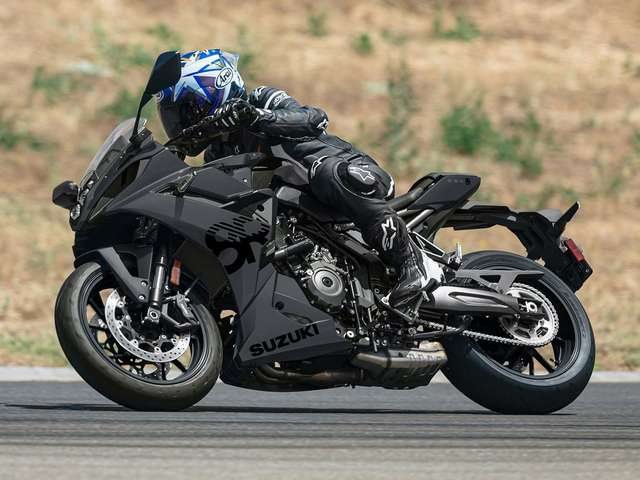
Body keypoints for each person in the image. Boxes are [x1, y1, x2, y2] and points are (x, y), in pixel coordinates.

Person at [157, 49, 438, 309]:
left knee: (327, 173)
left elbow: (313, 119)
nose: (182, 123)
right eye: (174, 117)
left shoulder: (259, 99)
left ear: (213, 90)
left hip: (354, 175)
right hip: (308, 217)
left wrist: (255, 117)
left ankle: (414, 264)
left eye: (187, 110)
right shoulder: (217, 154)